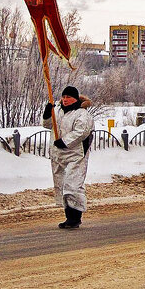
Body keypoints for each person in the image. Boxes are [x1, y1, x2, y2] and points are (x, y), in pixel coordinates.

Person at [43, 85, 94, 230]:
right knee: (62, 185)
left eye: (68, 97)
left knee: (72, 185)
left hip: (75, 155)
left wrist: (65, 141)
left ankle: (75, 217)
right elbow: (47, 125)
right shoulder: (57, 110)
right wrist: (47, 113)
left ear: (75, 99)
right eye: (63, 97)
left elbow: (81, 132)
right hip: (59, 155)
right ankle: (68, 217)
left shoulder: (82, 114)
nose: (65, 100)